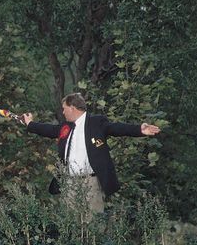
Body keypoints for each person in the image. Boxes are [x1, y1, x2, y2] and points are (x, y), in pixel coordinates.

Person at [22, 92, 161, 215]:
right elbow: (49, 130)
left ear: (72, 108)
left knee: (93, 222)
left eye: (64, 109)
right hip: (69, 183)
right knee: (70, 224)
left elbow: (117, 128)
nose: (63, 112)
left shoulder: (96, 122)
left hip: (91, 182)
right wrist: (30, 124)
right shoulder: (66, 127)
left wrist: (139, 130)